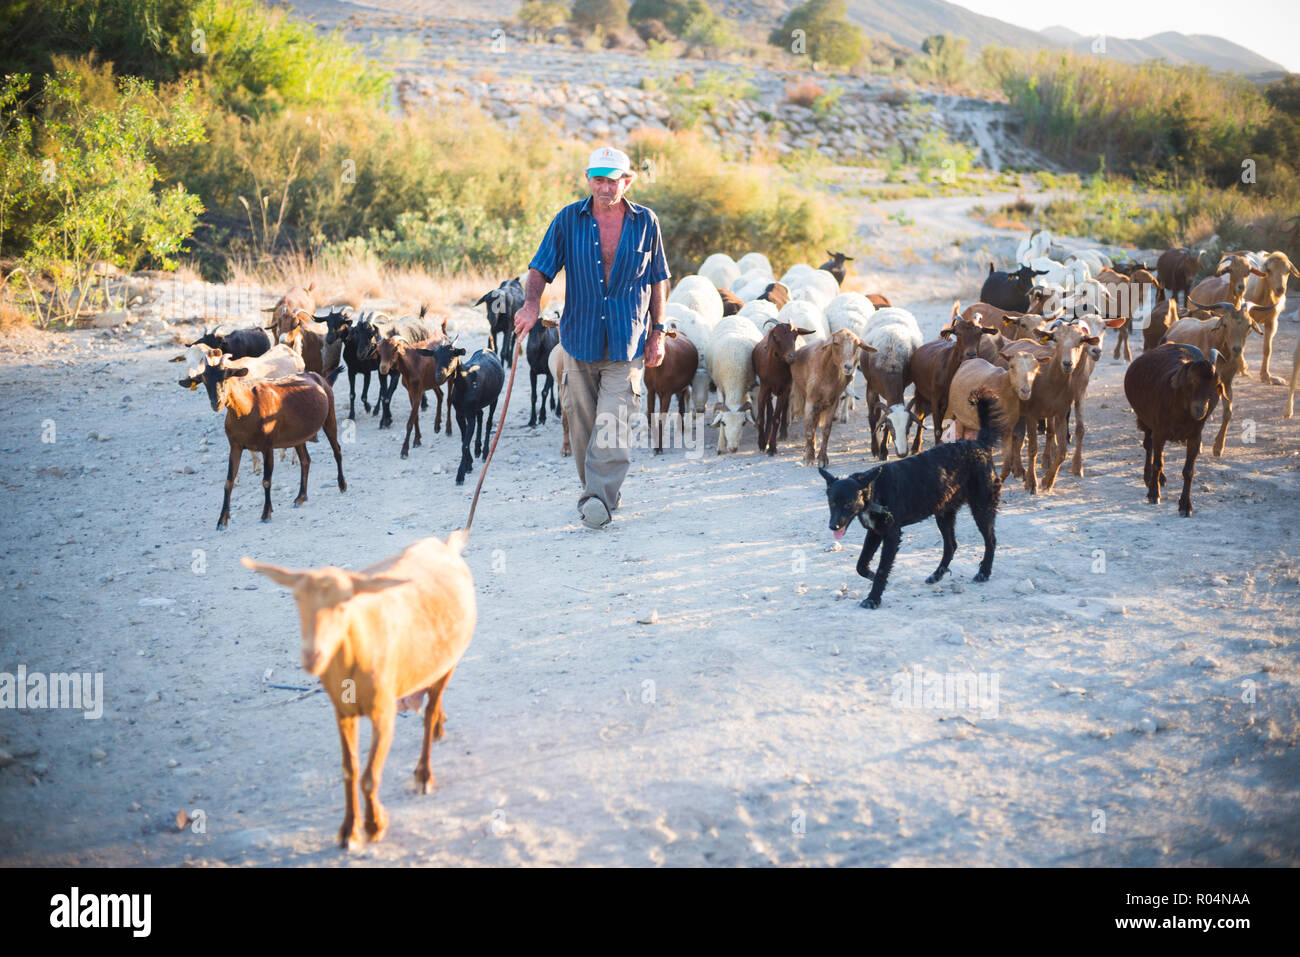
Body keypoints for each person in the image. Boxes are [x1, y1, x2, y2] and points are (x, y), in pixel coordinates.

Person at [514, 146, 671, 529]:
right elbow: (540, 268)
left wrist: (659, 333)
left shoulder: (645, 222)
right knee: (583, 424)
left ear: (626, 181)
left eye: (612, 180)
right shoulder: (568, 220)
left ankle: (596, 499)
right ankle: (600, 493)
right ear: (589, 180)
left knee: (614, 421)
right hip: (580, 339)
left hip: (627, 340)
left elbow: (659, 279)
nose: (604, 187)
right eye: (598, 179)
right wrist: (531, 305)